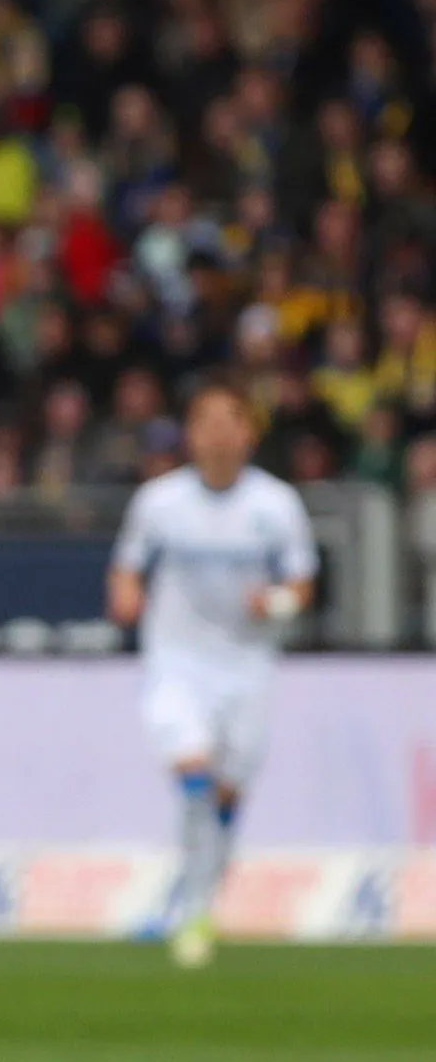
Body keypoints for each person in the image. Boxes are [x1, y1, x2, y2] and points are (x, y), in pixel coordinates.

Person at [108, 381, 317, 967]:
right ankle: (194, 909)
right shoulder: (160, 502)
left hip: (247, 667)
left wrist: (275, 603)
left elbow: (301, 583)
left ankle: (196, 902)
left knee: (227, 794)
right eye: (208, 422)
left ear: (250, 433)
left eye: (233, 422)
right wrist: (126, 597)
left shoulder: (275, 506)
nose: (221, 435)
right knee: (193, 773)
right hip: (177, 663)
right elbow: (126, 568)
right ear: (191, 434)